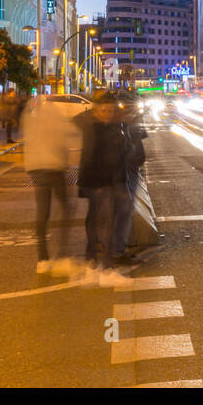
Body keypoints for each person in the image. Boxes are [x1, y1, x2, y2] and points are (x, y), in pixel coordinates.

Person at [20, 94, 82, 276]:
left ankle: (42, 259)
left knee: (42, 213)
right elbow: (62, 140)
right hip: (54, 168)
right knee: (66, 207)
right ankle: (62, 254)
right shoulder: (54, 116)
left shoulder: (29, 117)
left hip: (36, 169)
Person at [76, 92, 133, 286]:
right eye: (104, 110)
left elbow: (122, 153)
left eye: (111, 110)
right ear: (95, 111)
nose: (108, 113)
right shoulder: (97, 129)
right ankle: (106, 269)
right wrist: (101, 183)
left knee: (96, 220)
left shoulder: (110, 127)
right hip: (101, 182)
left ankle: (92, 263)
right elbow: (93, 158)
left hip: (105, 181)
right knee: (104, 224)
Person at [112, 96, 148, 265]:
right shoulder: (119, 125)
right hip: (125, 167)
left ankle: (122, 243)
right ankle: (119, 247)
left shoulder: (129, 122)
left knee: (126, 206)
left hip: (130, 165)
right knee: (125, 207)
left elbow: (140, 139)